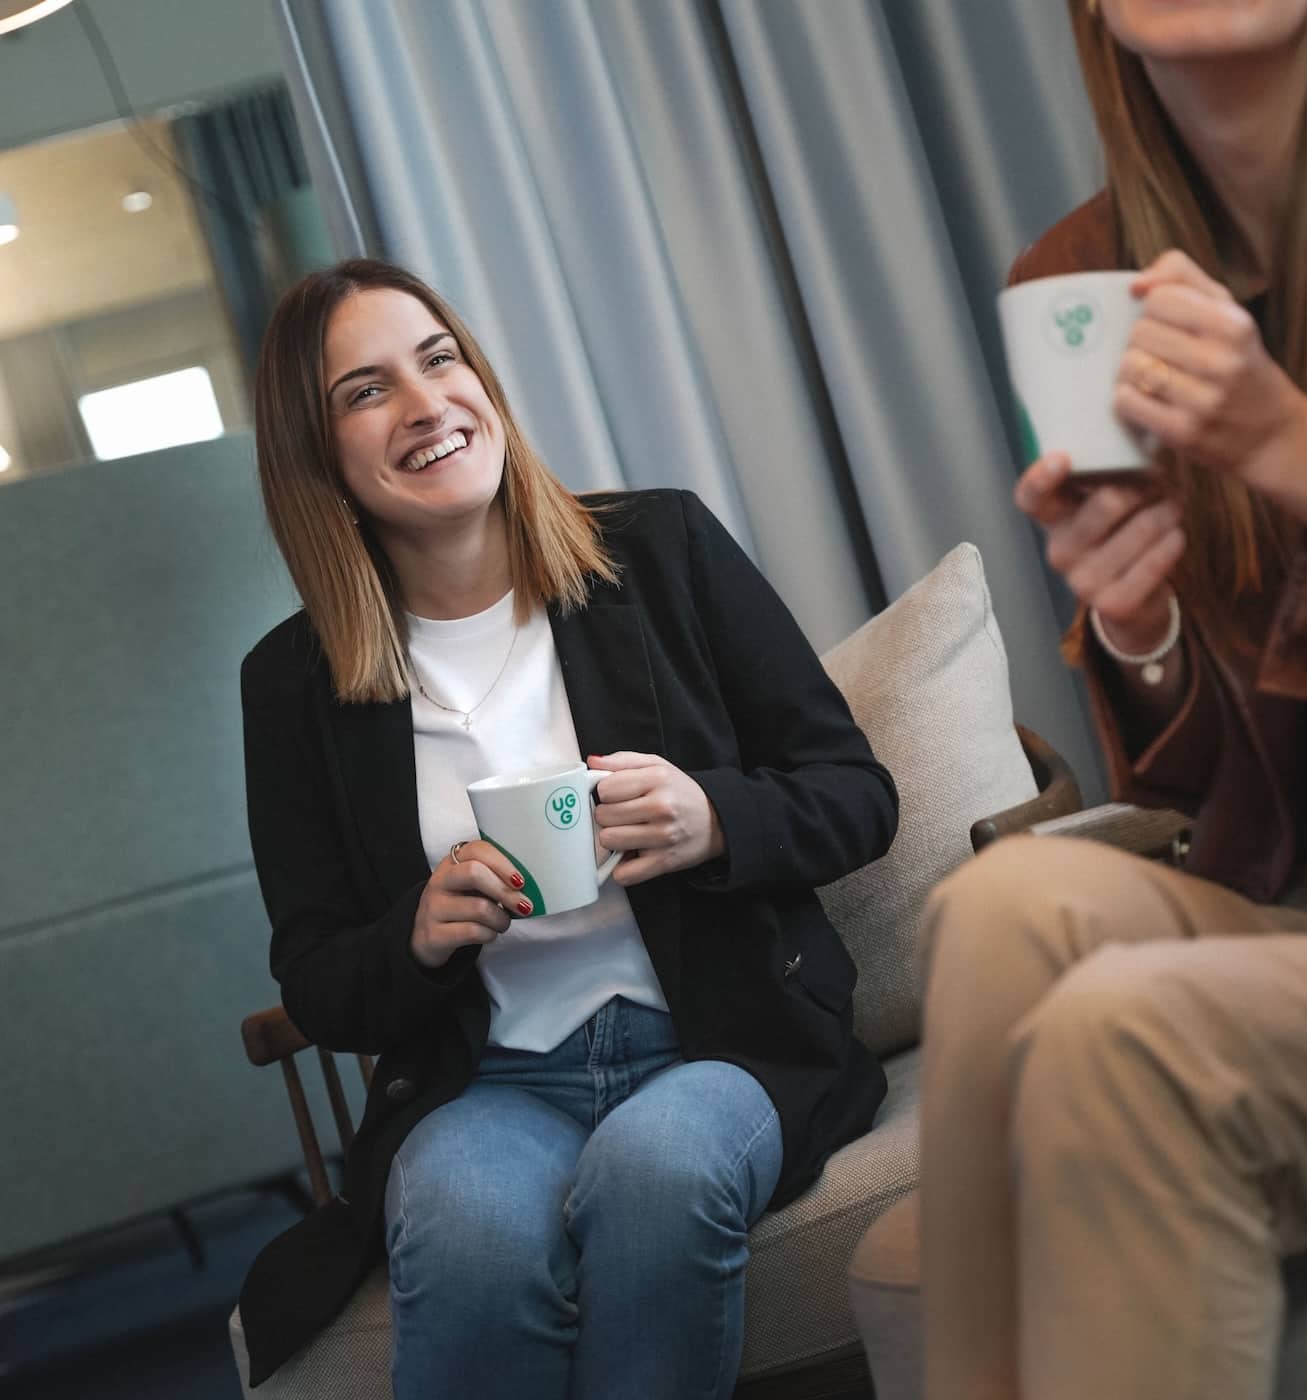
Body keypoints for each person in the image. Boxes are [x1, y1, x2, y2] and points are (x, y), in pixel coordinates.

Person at [235, 258, 897, 1398]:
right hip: (489, 1081)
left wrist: (712, 816)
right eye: (366, 391)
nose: (425, 402)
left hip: (721, 1040)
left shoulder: (662, 549)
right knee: (465, 1229)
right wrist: (420, 932)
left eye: (438, 360)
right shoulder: (292, 683)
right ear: (319, 458)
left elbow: (852, 790)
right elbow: (318, 977)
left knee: (654, 1170)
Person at [919, 2, 1307, 1398]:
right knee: (997, 912)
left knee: (1117, 1036)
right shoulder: (1080, 279)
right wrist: (1144, 635)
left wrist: (1302, 448)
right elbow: (1205, 811)